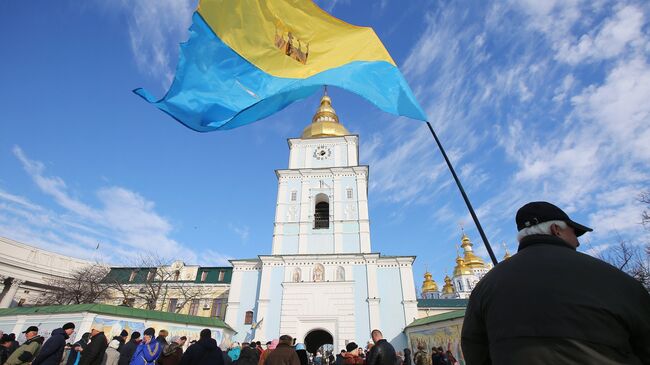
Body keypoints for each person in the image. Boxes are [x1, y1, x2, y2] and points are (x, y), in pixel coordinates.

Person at [461, 201, 650, 364]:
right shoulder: (613, 278)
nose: (577, 241)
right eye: (574, 233)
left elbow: (475, 350)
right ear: (556, 229)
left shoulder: (487, 286)